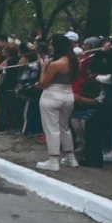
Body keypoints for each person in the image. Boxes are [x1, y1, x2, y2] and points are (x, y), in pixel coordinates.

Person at [36, 33, 80, 172]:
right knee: (64, 127)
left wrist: (43, 68)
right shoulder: (76, 61)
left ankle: (53, 159)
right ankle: (70, 157)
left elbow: (44, 83)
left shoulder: (56, 64)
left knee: (51, 128)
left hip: (52, 95)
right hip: (68, 94)